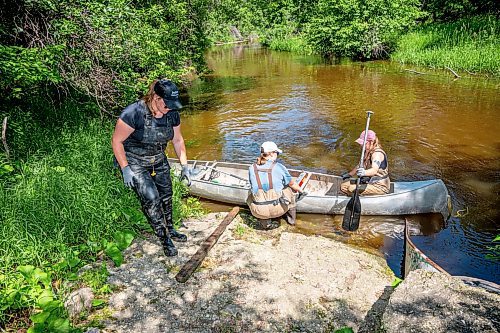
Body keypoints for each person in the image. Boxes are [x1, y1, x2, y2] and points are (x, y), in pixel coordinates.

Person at [112, 79, 193, 257]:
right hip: (135, 161)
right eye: (167, 104)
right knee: (151, 198)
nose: (169, 109)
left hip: (158, 158)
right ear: (155, 97)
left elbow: (177, 140)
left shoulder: (171, 114)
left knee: (166, 195)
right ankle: (164, 238)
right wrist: (125, 168)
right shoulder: (133, 113)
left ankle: (170, 229)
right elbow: (117, 141)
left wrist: (185, 165)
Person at [247, 141, 306, 226]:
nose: (277, 155)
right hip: (278, 210)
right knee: (288, 189)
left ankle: (265, 223)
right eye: (277, 153)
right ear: (271, 154)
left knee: (251, 190)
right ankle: (291, 221)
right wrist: (301, 191)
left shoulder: (251, 168)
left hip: (258, 211)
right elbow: (292, 184)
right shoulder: (279, 167)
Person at [340, 130, 390, 195]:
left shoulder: (377, 154)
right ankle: (357, 195)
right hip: (369, 182)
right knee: (343, 186)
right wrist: (349, 174)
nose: (361, 145)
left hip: (379, 186)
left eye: (364, 143)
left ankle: (358, 199)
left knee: (351, 189)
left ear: (371, 142)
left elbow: (374, 170)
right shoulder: (367, 151)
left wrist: (364, 172)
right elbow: (360, 165)